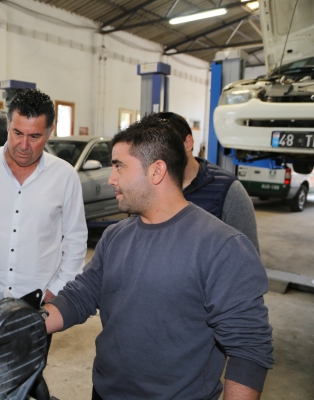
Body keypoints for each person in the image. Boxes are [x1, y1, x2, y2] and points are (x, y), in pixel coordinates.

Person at [44, 113, 273, 400]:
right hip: (105, 392)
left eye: (119, 166)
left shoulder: (223, 247)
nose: (111, 179)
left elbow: (249, 350)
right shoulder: (116, 236)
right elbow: (81, 295)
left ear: (156, 171)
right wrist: (27, 325)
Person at [0, 89, 87, 302]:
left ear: (49, 132)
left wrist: (59, 287)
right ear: (8, 125)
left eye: (34, 136)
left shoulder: (65, 176)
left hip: (39, 298)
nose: (24, 146)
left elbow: (76, 238)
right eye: (17, 133)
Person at [158, 111, 259, 250]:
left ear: (188, 143)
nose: (159, 157)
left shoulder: (228, 190)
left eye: (166, 147)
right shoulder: (150, 187)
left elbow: (248, 256)